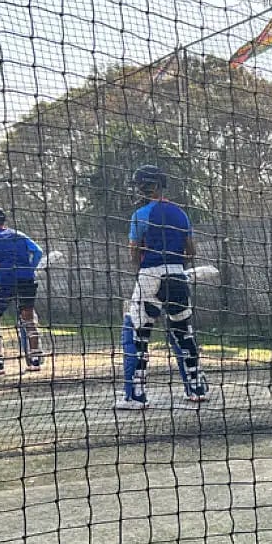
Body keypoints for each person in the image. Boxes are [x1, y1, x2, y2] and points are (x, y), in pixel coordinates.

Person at [114, 164, 209, 410]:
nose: (139, 190)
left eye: (141, 186)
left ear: (152, 186)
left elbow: (134, 253)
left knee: (138, 332)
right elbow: (191, 251)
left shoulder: (140, 215)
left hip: (150, 275)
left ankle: (135, 396)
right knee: (183, 332)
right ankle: (197, 389)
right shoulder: (181, 213)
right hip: (178, 275)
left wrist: (147, 262)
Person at [0, 206, 45, 375]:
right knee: (28, 318)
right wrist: (29, 269)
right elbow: (38, 251)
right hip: (27, 280)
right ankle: (35, 360)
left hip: (6, 281)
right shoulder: (19, 234)